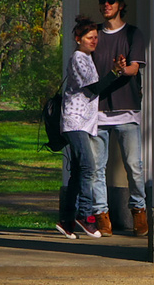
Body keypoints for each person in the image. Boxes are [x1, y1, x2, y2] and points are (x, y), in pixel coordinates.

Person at [90, 0, 149, 237]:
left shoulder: (132, 34)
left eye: (111, 0)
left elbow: (134, 69)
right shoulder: (93, 35)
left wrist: (121, 69)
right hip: (97, 112)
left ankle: (139, 211)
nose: (106, 4)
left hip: (127, 112)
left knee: (133, 166)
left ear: (121, 5)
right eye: (102, 0)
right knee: (95, 168)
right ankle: (102, 216)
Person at [56, 15, 117, 239]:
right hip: (74, 121)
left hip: (84, 123)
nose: (94, 41)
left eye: (95, 38)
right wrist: (115, 73)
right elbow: (93, 89)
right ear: (78, 38)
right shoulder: (78, 59)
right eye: (90, 37)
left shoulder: (88, 58)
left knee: (78, 173)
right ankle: (85, 216)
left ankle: (66, 221)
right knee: (89, 168)